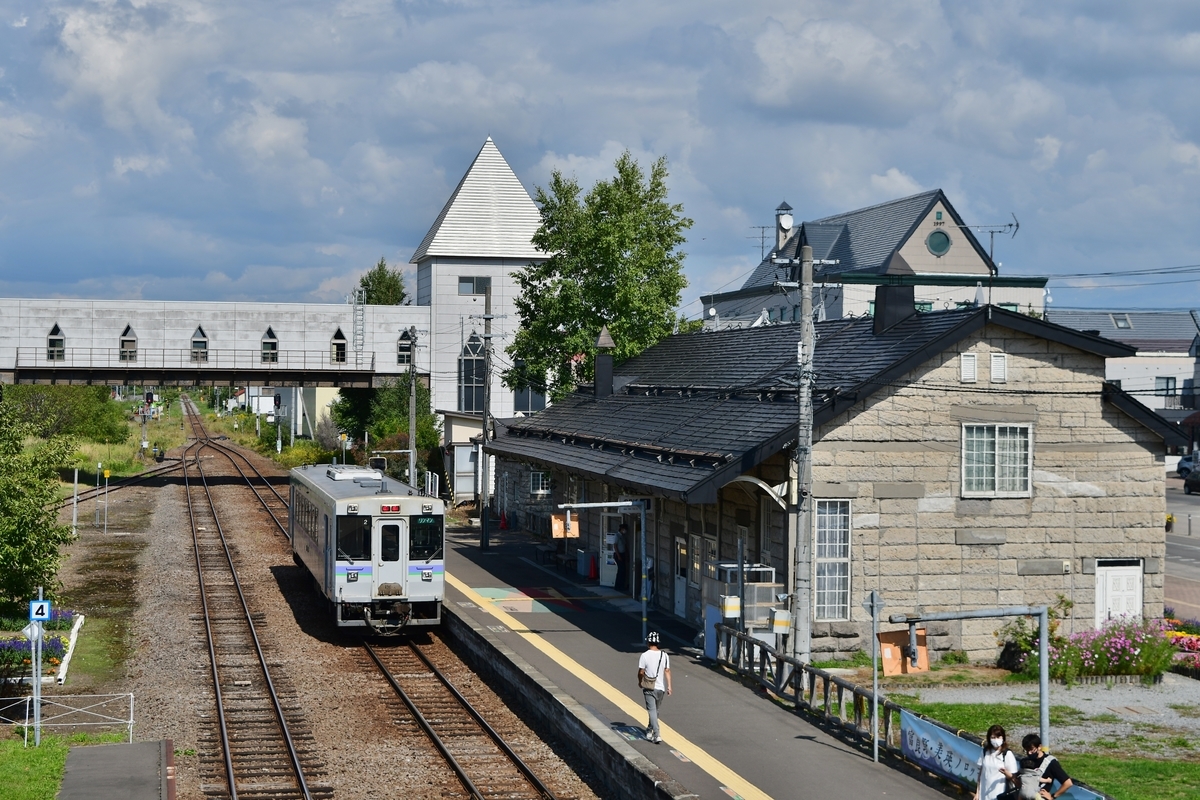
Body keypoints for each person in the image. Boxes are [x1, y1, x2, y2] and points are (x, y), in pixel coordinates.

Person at [637, 630, 671, 744]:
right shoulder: (664, 655)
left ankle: (657, 734)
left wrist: (640, 681)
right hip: (660, 688)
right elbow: (667, 671)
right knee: (655, 711)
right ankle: (649, 729)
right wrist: (669, 686)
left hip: (649, 686)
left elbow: (641, 672)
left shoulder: (644, 655)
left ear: (648, 643)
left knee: (652, 711)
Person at [1018, 733, 1073, 800]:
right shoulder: (1024, 762)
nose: (1029, 753)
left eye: (1031, 749)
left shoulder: (1051, 762)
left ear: (1039, 747)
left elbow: (1068, 783)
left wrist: (1053, 797)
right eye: (1026, 750)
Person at [975, 724, 1018, 800]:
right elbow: (981, 773)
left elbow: (1013, 777)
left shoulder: (1007, 754)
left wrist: (1005, 773)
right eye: (993, 737)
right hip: (984, 794)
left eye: (998, 737)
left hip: (1000, 794)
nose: (996, 740)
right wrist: (977, 793)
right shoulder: (985, 752)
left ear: (1003, 738)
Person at [614, 523, 629, 593]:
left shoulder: (623, 536)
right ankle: (618, 586)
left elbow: (625, 545)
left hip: (623, 554)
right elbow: (615, 546)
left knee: (623, 570)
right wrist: (619, 556)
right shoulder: (617, 536)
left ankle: (622, 585)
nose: (625, 531)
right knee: (621, 570)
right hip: (618, 555)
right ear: (621, 529)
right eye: (624, 529)